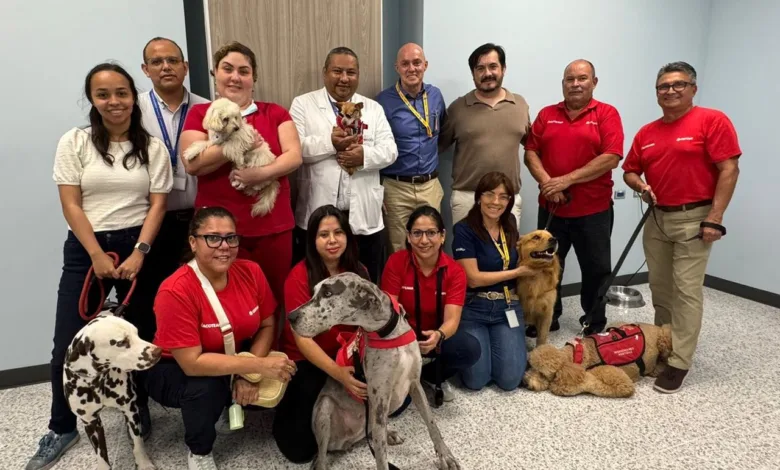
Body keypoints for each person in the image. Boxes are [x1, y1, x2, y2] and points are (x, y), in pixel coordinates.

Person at [26, 63, 172, 470]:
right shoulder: (75, 142)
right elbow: (71, 203)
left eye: (121, 93)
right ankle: (61, 426)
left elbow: (158, 205)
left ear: (133, 97)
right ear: (92, 99)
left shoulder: (152, 148)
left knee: (140, 338)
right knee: (66, 342)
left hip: (139, 246)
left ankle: (137, 412)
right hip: (87, 248)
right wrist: (94, 253)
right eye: (103, 94)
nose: (114, 102)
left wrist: (140, 252)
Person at [146, 206, 297, 469]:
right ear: (193, 242)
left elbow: (267, 324)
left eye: (231, 238)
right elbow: (192, 363)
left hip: (231, 353)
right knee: (207, 389)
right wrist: (257, 366)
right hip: (174, 366)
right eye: (213, 238)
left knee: (284, 376)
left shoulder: (251, 271)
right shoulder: (175, 290)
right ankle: (200, 451)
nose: (224, 246)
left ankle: (232, 398)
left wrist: (247, 375)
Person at [622, 61, 741, 394]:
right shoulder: (647, 133)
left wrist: (715, 217)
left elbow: (729, 169)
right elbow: (629, 171)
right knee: (661, 288)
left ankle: (680, 361)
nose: (670, 91)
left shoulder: (712, 121)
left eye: (678, 85)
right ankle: (664, 344)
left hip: (695, 217)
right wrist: (640, 185)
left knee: (686, 290)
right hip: (657, 217)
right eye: (664, 86)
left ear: (693, 89)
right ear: (656, 92)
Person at [180, 40, 302, 321]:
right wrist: (239, 142)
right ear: (216, 74)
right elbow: (192, 164)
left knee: (274, 298)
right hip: (217, 232)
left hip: (271, 227)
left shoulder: (275, 113)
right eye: (227, 69)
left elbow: (294, 156)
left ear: (253, 79)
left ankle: (271, 348)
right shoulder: (200, 114)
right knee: (222, 302)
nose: (235, 77)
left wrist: (260, 174)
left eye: (243, 71)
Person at [523, 59, 624, 336]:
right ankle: (547, 317)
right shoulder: (547, 114)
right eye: (570, 79)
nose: (575, 84)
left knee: (596, 269)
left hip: (593, 211)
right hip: (552, 208)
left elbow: (611, 157)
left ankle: (593, 320)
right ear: (563, 83)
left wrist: (566, 180)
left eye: (582, 78)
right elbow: (531, 152)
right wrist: (548, 184)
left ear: (594, 82)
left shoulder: (606, 114)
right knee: (546, 264)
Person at [290, 46, 398, 283]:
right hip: (318, 211)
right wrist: (330, 143)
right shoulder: (303, 104)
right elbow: (295, 149)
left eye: (351, 72)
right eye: (337, 71)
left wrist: (363, 156)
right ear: (325, 73)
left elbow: (390, 151)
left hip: (363, 217)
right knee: (318, 284)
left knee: (366, 283)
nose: (344, 78)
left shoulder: (373, 109)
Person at [273, 205, 370, 464]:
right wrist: (338, 373)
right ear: (312, 240)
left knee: (396, 401)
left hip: (347, 354)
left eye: (338, 232)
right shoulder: (299, 277)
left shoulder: (360, 272)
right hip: (307, 360)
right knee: (298, 451)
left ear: (347, 236)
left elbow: (367, 324)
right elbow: (302, 339)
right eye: (323, 234)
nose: (332, 240)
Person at [138, 37, 211, 325]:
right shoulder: (134, 110)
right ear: (146, 70)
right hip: (151, 220)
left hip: (198, 218)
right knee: (152, 296)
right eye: (157, 62)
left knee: (199, 296)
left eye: (172, 60)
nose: (166, 67)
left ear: (186, 66)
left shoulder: (208, 109)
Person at [380, 205, 480, 402]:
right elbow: (389, 312)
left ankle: (430, 376)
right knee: (397, 408)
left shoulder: (455, 271)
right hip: (402, 337)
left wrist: (439, 335)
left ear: (442, 236)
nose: (424, 240)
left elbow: (452, 320)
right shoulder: (396, 262)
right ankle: (407, 374)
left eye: (431, 233)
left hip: (436, 336)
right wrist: (405, 340)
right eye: (417, 233)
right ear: (408, 237)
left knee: (469, 348)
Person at [452, 172, 539, 391]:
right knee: (476, 381)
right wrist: (518, 272)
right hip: (475, 307)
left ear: (509, 201)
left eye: (503, 196)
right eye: (490, 194)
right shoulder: (464, 229)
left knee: (510, 381)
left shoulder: (509, 223)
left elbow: (516, 254)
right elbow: (473, 279)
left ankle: (495, 343)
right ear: (479, 197)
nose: (496, 201)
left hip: (507, 306)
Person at [439, 43, 531, 225]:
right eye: (480, 68)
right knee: (466, 245)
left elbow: (533, 146)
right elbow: (437, 146)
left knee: (506, 245)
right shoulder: (458, 108)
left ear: (503, 69)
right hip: (468, 198)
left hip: (507, 198)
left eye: (493, 66)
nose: (487, 73)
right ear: (473, 73)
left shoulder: (520, 105)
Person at [376, 43, 447, 253]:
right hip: (396, 188)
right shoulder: (383, 101)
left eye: (416, 63)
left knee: (432, 245)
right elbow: (376, 145)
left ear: (425, 65)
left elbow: (442, 133)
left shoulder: (436, 96)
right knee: (399, 248)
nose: (411, 69)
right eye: (405, 64)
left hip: (430, 185)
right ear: (396, 68)